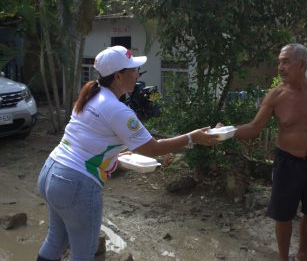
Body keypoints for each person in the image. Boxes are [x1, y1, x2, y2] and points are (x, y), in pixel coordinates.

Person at [36, 45, 219, 261]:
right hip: (76, 184)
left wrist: (116, 158)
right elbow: (153, 148)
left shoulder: (91, 96)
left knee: (55, 241)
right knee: (83, 254)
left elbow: (88, 142)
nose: (137, 74)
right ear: (118, 76)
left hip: (51, 172)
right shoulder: (117, 109)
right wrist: (192, 137)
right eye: (133, 70)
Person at [229, 43, 307, 261]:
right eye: (279, 62)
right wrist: (227, 131)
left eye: (286, 62)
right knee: (283, 214)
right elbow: (253, 128)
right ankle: (283, 258)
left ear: (302, 65)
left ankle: (303, 253)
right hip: (287, 162)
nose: (280, 67)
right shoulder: (276, 96)